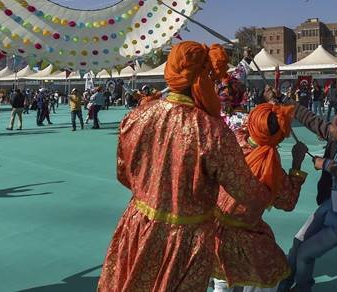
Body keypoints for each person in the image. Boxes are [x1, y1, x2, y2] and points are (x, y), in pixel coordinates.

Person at [98, 41, 270, 291]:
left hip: (139, 224)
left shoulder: (137, 116)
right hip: (187, 239)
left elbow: (124, 173)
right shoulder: (213, 132)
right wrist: (276, 186)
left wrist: (151, 195)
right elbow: (246, 191)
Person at [273, 92, 337, 292]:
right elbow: (312, 120)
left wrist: (329, 166)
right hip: (331, 205)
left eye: (332, 126)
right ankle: (284, 284)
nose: (328, 127)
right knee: (297, 243)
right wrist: (286, 102)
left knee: (305, 253)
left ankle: (302, 288)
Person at [212, 103, 309, 292]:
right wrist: (297, 164)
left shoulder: (233, 141)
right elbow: (288, 202)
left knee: (221, 282)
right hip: (247, 233)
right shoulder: (271, 167)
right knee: (266, 273)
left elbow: (245, 127)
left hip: (212, 227)